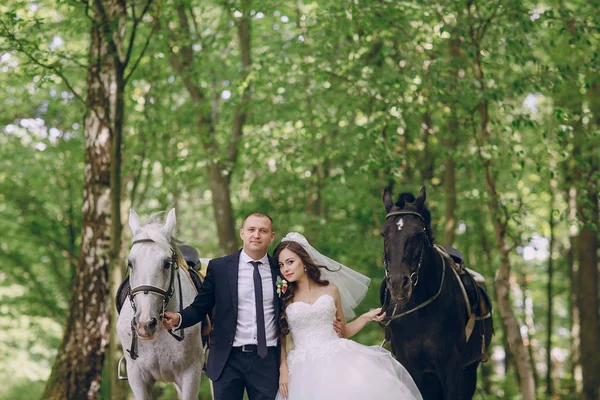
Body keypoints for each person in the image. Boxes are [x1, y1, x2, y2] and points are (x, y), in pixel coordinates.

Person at [273, 232, 423, 400]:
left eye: (290, 262)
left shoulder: (331, 290)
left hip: (339, 359)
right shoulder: (283, 297)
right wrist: (283, 369)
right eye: (281, 265)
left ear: (304, 261)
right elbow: (281, 337)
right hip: (302, 369)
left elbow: (343, 331)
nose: (285, 269)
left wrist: (366, 317)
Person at [163, 213, 280, 400]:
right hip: (227, 360)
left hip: (267, 360)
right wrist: (180, 318)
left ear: (272, 236)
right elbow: (201, 306)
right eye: (251, 230)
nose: (256, 235)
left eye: (263, 231)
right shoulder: (220, 268)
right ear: (242, 233)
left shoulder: (281, 270)